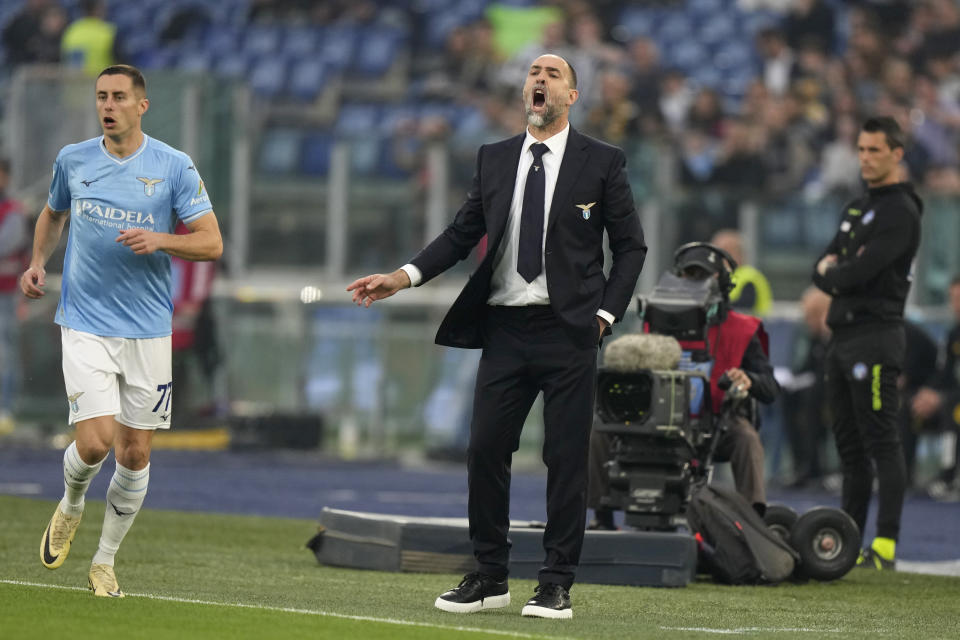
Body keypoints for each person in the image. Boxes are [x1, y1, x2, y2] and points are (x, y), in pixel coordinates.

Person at [347, 53, 646, 619]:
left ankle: (556, 582)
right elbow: (460, 235)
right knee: (485, 450)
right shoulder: (494, 158)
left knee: (565, 458)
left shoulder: (602, 161)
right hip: (506, 327)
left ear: (572, 96)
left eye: (554, 74)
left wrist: (606, 316)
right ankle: (489, 576)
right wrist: (402, 277)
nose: (540, 79)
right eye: (535, 73)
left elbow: (631, 246)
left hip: (570, 331)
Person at [19, 65, 222, 597]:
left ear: (141, 105)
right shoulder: (74, 158)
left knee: (134, 453)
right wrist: (38, 260)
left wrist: (161, 240)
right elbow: (52, 214)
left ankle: (104, 561)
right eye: (100, 97)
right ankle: (70, 505)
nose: (107, 105)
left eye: (117, 97)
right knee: (94, 443)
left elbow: (211, 242)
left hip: (148, 330)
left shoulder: (173, 166)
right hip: (85, 321)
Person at [588, 242, 779, 529]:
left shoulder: (743, 330)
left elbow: (770, 388)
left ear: (722, 283)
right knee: (599, 429)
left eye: (703, 276)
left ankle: (752, 523)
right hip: (656, 417)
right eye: (689, 275)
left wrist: (748, 379)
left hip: (717, 421)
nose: (695, 283)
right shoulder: (658, 322)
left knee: (746, 438)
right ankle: (601, 517)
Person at [812, 116, 923, 570]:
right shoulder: (856, 208)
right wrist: (837, 271)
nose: (865, 159)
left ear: (897, 154)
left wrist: (835, 271)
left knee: (882, 440)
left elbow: (856, 272)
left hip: (876, 337)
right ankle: (850, 541)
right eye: (860, 150)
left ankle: (887, 545)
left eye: (875, 150)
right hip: (842, 338)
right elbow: (821, 269)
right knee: (850, 447)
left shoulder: (901, 211)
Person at [911, 276, 960, 500]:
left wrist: (942, 398)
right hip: (951, 397)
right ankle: (901, 475)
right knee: (907, 405)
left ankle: (949, 477)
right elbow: (944, 372)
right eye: (953, 299)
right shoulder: (953, 334)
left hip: (954, 402)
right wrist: (929, 392)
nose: (956, 305)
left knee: (953, 409)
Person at [0, 159, 29, 435]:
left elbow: (7, 243)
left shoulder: (13, 211)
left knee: (5, 353)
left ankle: (5, 409)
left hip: (6, 294)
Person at [710, 229, 773, 317]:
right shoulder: (712, 278)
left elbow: (744, 306)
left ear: (740, 254)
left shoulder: (749, 276)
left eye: (725, 251)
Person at [61, 0, 124, 77]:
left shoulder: (71, 31)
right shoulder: (108, 32)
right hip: (100, 84)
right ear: (98, 9)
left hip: (74, 86)